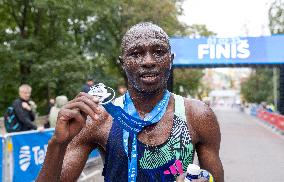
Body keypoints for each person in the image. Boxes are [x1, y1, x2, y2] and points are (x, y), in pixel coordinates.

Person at [37, 22, 224, 182]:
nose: (148, 61)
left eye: (158, 52)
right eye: (136, 53)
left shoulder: (198, 115)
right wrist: (58, 143)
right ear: (123, 63)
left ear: (170, 60)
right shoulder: (99, 117)